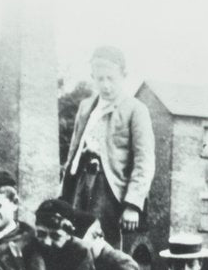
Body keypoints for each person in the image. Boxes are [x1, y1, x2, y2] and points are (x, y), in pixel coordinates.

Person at [60, 45, 155, 249]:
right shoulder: (86, 107)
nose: (105, 85)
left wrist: (133, 205)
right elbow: (73, 151)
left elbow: (144, 161)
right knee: (74, 244)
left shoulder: (135, 110)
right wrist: (65, 189)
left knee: (104, 249)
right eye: (100, 78)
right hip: (80, 185)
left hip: (110, 191)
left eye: (111, 78)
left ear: (123, 75)